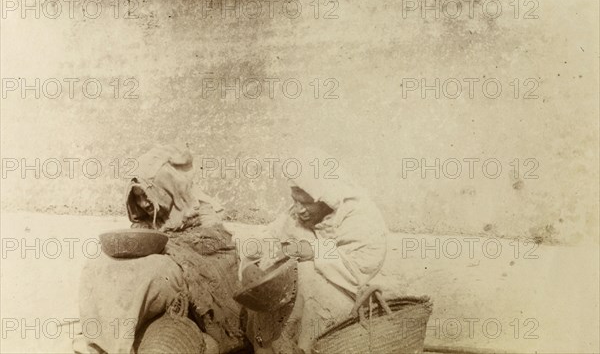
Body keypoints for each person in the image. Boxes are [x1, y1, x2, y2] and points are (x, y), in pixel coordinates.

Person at [75, 144, 247, 354]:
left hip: (183, 275)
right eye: (137, 197)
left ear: (167, 188)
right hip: (161, 263)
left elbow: (218, 254)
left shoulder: (201, 210)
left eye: (147, 195)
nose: (143, 203)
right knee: (99, 266)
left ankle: (118, 344)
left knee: (151, 275)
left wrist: (169, 248)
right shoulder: (150, 218)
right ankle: (98, 343)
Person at [239, 165, 388, 353]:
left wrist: (315, 251)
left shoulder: (360, 217)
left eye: (307, 203)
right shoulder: (296, 214)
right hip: (289, 299)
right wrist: (251, 264)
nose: (299, 209)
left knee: (305, 274)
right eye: (295, 200)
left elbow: (362, 267)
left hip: (342, 296)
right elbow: (267, 240)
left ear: (325, 199)